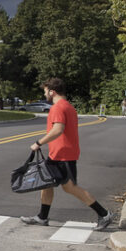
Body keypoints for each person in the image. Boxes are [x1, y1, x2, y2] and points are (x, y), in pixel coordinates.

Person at [20, 76, 112, 229]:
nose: (44, 95)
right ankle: (42, 217)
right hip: (59, 154)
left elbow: (58, 130)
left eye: (45, 92)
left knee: (70, 187)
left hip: (64, 155)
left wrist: (38, 143)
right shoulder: (68, 106)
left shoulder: (58, 108)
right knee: (46, 183)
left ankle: (104, 214)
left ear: (52, 92)